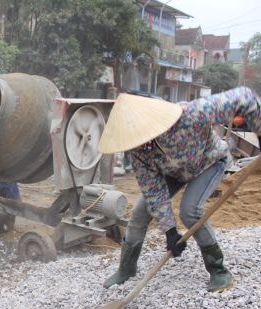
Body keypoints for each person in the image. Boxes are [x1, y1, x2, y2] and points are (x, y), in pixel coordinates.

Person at [98, 87, 261, 293]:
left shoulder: (190, 114)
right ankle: (126, 268)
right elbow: (153, 190)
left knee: (190, 211)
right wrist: (169, 230)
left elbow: (245, 97)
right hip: (174, 173)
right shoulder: (139, 151)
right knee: (140, 212)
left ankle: (218, 270)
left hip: (209, 163)